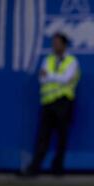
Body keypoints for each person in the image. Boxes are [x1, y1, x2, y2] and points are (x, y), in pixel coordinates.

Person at [23, 32, 80, 177]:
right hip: (48, 103)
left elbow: (67, 79)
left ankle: (58, 169)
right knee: (42, 137)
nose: (54, 45)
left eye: (57, 43)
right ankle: (34, 168)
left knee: (62, 137)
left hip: (64, 103)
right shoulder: (47, 60)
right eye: (53, 43)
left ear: (64, 44)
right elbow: (42, 80)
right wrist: (53, 78)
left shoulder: (72, 61)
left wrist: (50, 76)